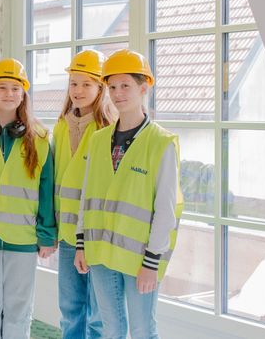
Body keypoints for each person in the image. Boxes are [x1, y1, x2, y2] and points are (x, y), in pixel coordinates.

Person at [74, 49, 183, 339]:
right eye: (112, 87)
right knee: (111, 330)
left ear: (144, 88)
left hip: (140, 259)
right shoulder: (98, 140)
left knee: (143, 330)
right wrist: (81, 244)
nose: (117, 94)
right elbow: (87, 196)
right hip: (100, 251)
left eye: (125, 86)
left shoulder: (161, 142)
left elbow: (166, 210)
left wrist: (151, 262)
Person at [0, 58, 56, 339]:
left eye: (15, 88)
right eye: (2, 87)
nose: (9, 94)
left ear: (23, 94)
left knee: (19, 310)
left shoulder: (40, 137)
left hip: (24, 238)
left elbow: (46, 189)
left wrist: (46, 234)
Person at [54, 50, 114, 339]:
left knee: (98, 315)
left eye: (86, 84)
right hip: (67, 234)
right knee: (70, 309)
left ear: (100, 88)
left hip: (96, 234)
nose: (77, 90)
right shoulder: (60, 127)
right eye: (73, 83)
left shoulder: (108, 130)